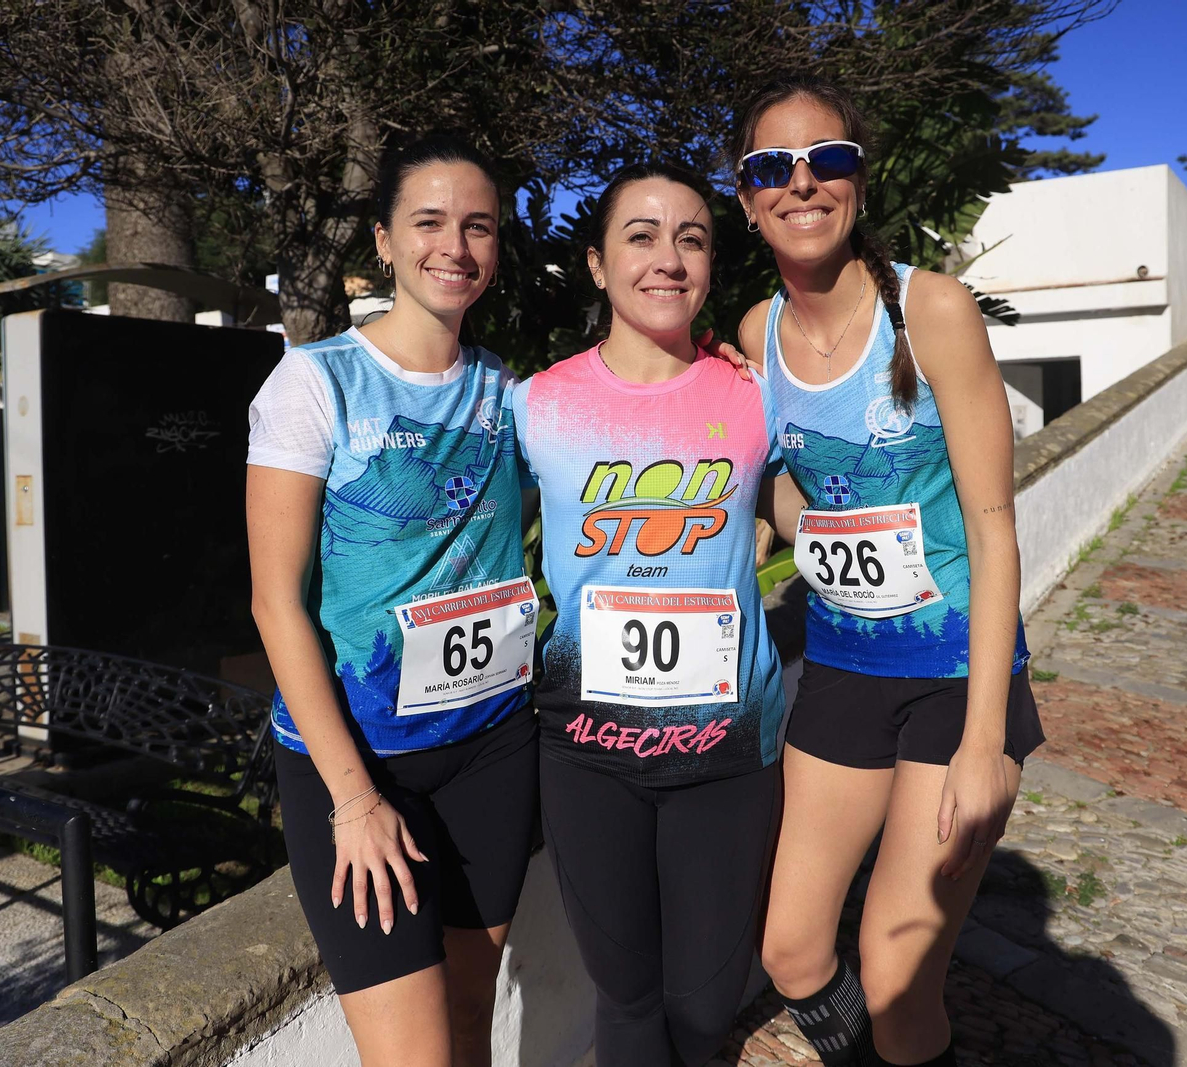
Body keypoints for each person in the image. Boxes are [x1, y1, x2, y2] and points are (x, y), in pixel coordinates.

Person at [732, 78, 1046, 1067]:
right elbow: (786, 503)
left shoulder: (931, 308)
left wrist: (987, 740)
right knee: (788, 947)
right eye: (770, 168)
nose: (801, 182)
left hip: (958, 676)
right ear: (745, 201)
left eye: (827, 159)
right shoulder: (755, 338)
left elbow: (995, 529)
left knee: (896, 979)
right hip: (841, 668)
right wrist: (798, 526)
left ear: (859, 181)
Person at [245, 133, 540, 1067]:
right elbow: (273, 603)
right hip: (360, 766)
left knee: (468, 1024)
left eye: (478, 226)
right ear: (382, 239)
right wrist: (354, 799)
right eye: (429, 222)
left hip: (493, 749)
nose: (454, 245)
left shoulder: (507, 392)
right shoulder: (314, 381)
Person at [512, 163, 787, 1067]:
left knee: (706, 1010)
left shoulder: (754, 393)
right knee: (627, 1005)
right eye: (641, 236)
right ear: (596, 264)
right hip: (587, 753)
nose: (667, 259)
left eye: (693, 238)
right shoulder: (537, 403)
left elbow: (804, 499)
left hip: (729, 749)